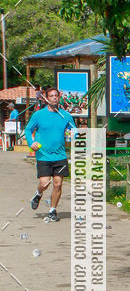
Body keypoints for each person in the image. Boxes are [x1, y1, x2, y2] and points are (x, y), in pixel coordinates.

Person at [25, 87, 77, 222]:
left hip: (60, 155)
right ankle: (38, 193)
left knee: (58, 184)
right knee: (45, 183)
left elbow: (75, 131)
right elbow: (28, 129)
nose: (54, 98)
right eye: (51, 96)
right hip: (43, 155)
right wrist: (31, 142)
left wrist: (74, 134)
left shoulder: (65, 116)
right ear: (47, 99)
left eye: (56, 96)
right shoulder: (39, 115)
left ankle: (52, 210)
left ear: (59, 97)